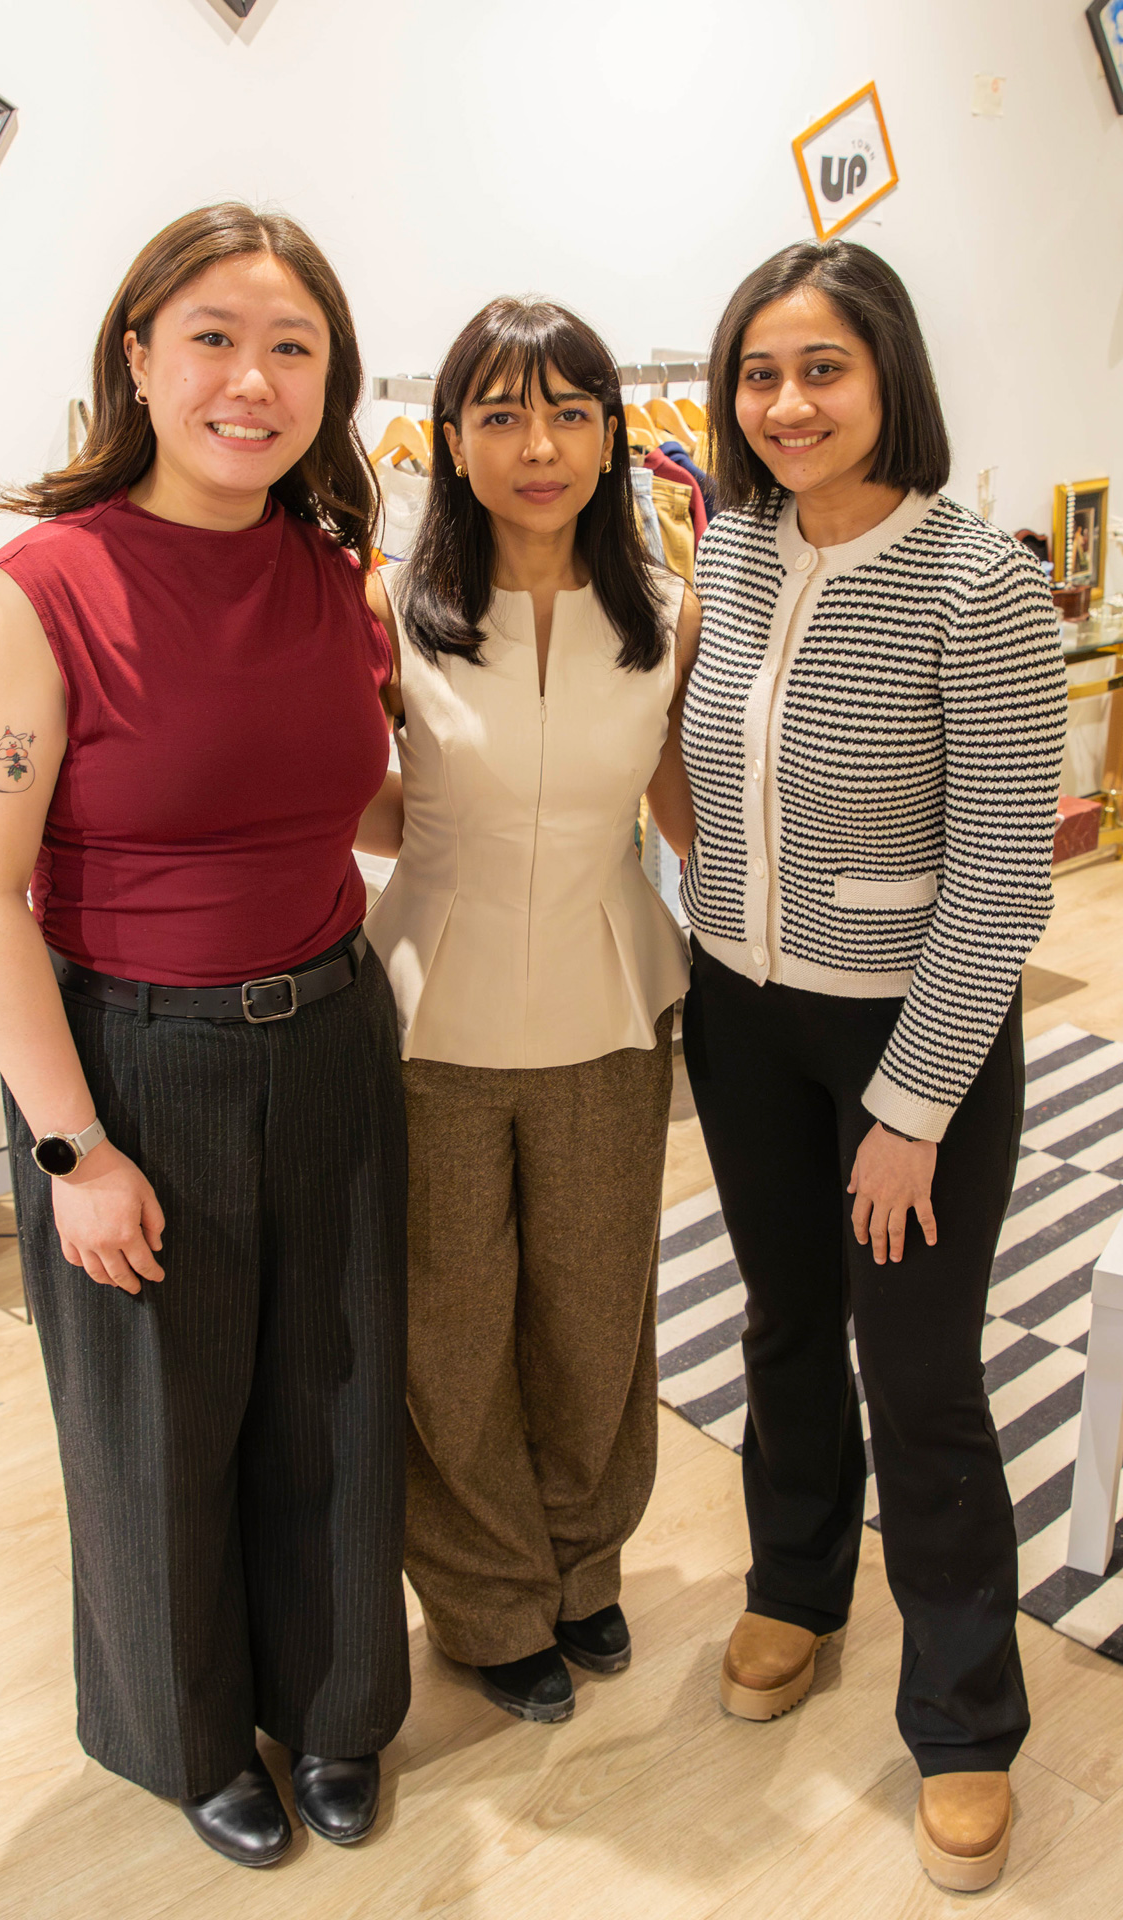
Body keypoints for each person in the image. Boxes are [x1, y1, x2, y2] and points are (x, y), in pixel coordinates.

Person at [0, 203, 410, 1870]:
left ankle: (338, 1705)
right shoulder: (35, 594)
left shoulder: (333, 572)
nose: (252, 380)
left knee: (335, 1399)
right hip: (137, 1060)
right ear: (138, 356)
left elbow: (370, 804)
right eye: (212, 336)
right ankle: (193, 1735)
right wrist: (71, 1148)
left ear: (330, 378)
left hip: (338, 1035)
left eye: (292, 346)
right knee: (157, 1425)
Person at [677, 239, 1066, 1892]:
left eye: (821, 368)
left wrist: (909, 1110)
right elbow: (690, 770)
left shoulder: (981, 584)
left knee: (920, 1371)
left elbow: (1002, 875)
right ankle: (794, 1585)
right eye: (760, 373)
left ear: (888, 373)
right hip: (743, 1016)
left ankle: (968, 1718)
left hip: (911, 1032)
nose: (787, 404)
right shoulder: (736, 548)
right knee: (781, 1320)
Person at [360, 297, 699, 1723]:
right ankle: (488, 1600)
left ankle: (584, 1567)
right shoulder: (392, 603)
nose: (537, 445)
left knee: (596, 1316)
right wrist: (433, 836)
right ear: (449, 440)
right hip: (432, 1020)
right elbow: (352, 793)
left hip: (613, 1011)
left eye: (567, 412)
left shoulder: (665, 604)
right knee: (447, 1328)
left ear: (615, 433)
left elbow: (687, 810)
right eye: (499, 415)